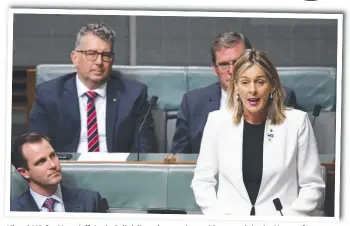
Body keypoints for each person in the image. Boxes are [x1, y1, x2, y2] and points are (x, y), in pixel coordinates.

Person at [191, 49, 325, 216]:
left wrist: (291, 218)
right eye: (245, 82)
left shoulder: (297, 122)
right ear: (236, 86)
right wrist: (218, 217)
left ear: (273, 85)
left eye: (260, 82)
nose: (252, 90)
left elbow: (313, 184)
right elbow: (202, 181)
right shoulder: (217, 122)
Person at [29, 22, 157, 153]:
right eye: (91, 54)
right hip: (65, 169)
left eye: (106, 55)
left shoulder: (134, 94)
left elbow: (145, 151)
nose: (99, 62)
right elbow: (35, 150)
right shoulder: (49, 95)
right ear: (75, 58)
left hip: (115, 169)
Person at [171, 32, 297, 154]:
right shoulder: (193, 102)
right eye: (224, 64)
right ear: (215, 69)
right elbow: (179, 158)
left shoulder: (281, 96)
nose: (232, 70)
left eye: (237, 62)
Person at [10, 132, 108, 212]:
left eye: (52, 155)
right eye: (41, 162)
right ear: (24, 172)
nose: (53, 165)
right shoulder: (12, 211)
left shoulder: (91, 202)